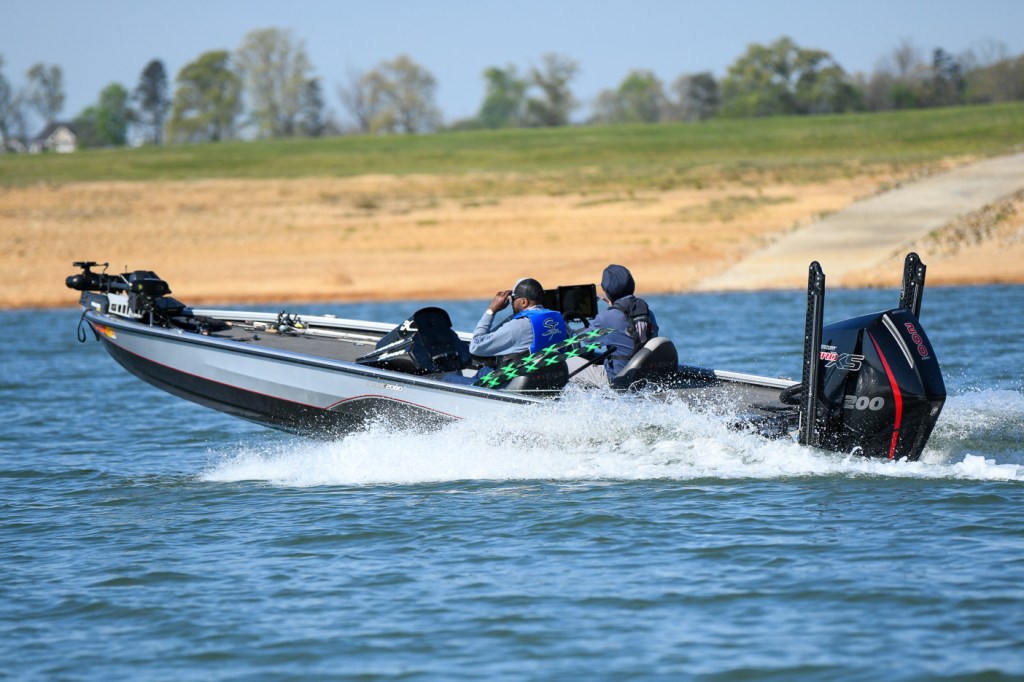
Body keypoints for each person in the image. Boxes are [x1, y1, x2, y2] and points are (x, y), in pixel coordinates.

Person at [574, 264, 659, 385]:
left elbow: (586, 341)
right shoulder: (648, 313)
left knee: (570, 363)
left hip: (618, 379)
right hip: (644, 377)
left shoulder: (606, 318)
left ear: (607, 292)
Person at [470, 277, 568, 366]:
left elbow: (476, 347)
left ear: (524, 302)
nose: (511, 303)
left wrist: (491, 310)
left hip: (515, 378)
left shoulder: (518, 326)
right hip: (552, 374)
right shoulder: (558, 319)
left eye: (513, 298)